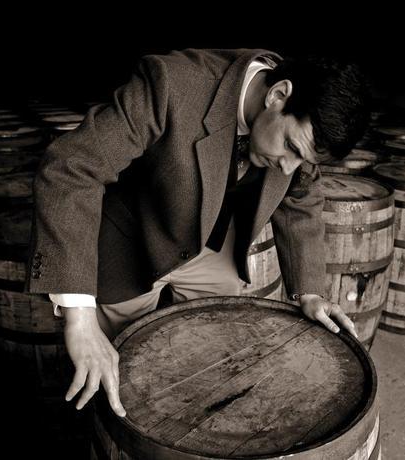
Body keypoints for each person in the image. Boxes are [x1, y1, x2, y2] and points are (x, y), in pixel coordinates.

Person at [25, 48, 370, 418]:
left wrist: (311, 291)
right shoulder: (172, 85)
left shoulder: (298, 145)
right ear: (278, 95)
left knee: (214, 358)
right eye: (290, 147)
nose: (289, 166)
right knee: (117, 374)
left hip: (213, 243)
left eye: (303, 159)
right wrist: (80, 320)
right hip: (133, 241)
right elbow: (71, 166)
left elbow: (301, 198)